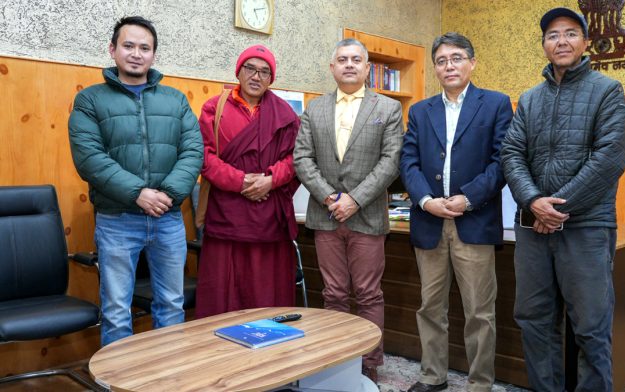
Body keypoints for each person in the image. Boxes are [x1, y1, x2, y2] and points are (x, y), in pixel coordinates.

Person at [501, 8, 625, 392]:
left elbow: (609, 158)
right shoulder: (529, 98)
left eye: (571, 34)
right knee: (534, 321)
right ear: (544, 45)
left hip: (587, 228)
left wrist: (554, 208)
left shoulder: (607, 91)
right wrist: (533, 200)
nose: (561, 41)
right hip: (533, 229)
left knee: (591, 327)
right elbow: (511, 154)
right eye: (553, 35)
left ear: (586, 43)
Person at [68, 16, 203, 346]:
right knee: (116, 310)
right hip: (117, 221)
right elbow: (90, 158)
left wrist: (167, 194)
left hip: (168, 218)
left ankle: (167, 380)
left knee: (171, 306)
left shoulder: (175, 100)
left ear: (154, 55)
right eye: (128, 46)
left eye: (145, 48)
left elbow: (193, 150)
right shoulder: (90, 100)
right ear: (113, 50)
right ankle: (118, 383)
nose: (136, 54)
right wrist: (138, 194)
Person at [400, 32, 513, 392]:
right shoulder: (419, 110)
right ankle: (433, 377)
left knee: (480, 312)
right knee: (430, 307)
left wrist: (467, 198)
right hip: (430, 220)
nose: (449, 65)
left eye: (457, 58)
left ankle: (480, 383)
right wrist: (425, 200)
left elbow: (502, 162)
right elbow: (408, 162)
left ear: (472, 63)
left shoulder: (495, 104)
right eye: (442, 60)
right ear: (435, 68)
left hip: (474, 220)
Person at [293, 38, 403, 383]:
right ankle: (337, 359)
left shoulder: (387, 108)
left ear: (367, 67)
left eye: (357, 59)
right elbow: (302, 158)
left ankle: (368, 364)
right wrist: (329, 198)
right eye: (343, 59)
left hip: (367, 216)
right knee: (334, 294)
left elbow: (391, 161)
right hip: (325, 218)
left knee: (369, 294)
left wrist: (354, 199)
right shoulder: (315, 109)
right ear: (332, 67)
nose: (350, 64)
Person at [195, 45, 301, 318]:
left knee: (268, 292)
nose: (257, 76)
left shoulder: (285, 115)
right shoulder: (214, 108)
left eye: (265, 71)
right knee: (224, 291)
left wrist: (270, 179)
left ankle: (271, 350)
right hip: (227, 213)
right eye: (250, 68)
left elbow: (296, 159)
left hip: (269, 218)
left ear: (271, 78)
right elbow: (204, 157)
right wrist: (241, 181)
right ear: (239, 71)